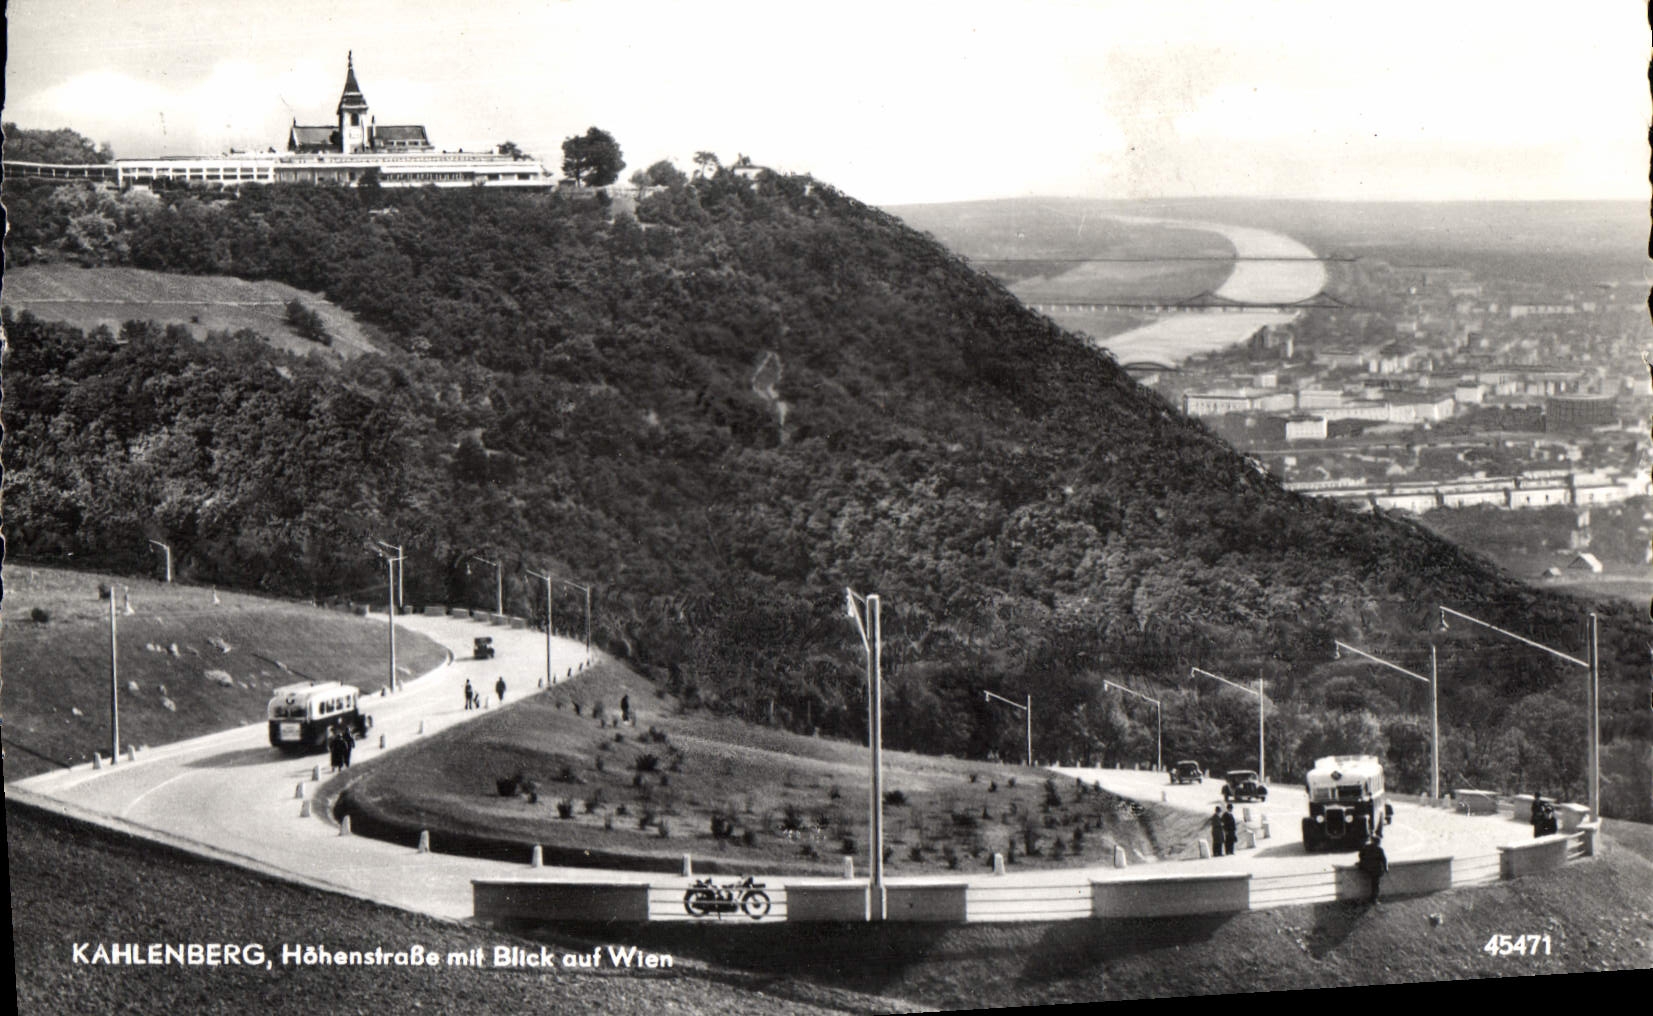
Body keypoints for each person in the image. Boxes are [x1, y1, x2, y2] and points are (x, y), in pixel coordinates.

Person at [1357, 833, 1388, 904]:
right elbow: (1384, 859)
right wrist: (1386, 868)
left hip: (1366, 868)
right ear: (1378, 842)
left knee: (1371, 883)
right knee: (1375, 885)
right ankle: (1374, 899)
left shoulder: (1366, 847)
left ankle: (1371, 899)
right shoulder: (1379, 849)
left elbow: (1360, 855)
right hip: (1375, 870)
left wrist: (1362, 862)